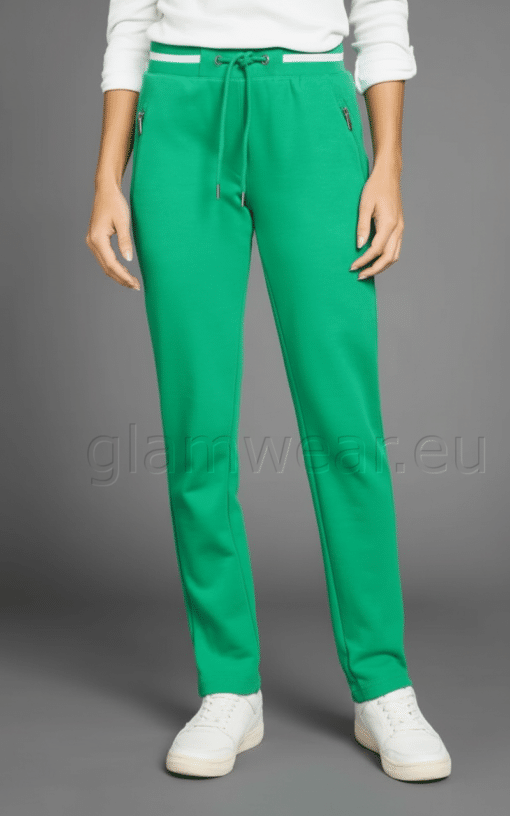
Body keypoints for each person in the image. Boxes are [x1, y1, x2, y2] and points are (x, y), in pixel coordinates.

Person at [86, 0, 452, 783]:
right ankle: (228, 688)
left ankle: (383, 686)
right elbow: (129, 29)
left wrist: (387, 165)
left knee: (344, 423)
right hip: (177, 117)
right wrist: (107, 179)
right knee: (196, 427)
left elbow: (381, 25)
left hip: (311, 113)